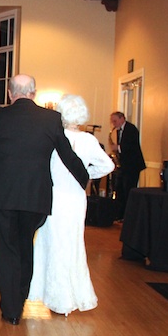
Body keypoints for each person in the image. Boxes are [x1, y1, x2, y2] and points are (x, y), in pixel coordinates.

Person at [0, 74, 89, 325]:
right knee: (24, 247)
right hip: (36, 195)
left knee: (5, 252)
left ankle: (11, 309)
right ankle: (20, 299)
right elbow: (68, 155)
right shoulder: (51, 119)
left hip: (3, 194)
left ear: (10, 93)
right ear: (34, 92)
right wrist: (84, 180)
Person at [28, 95, 115, 316]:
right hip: (76, 198)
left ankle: (50, 294)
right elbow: (108, 165)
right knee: (73, 244)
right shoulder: (88, 140)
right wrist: (87, 176)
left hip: (55, 196)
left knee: (50, 242)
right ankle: (66, 297)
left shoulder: (52, 137)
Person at [109, 111, 146, 220]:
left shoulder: (131, 129)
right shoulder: (119, 131)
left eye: (115, 121)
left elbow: (131, 146)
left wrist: (118, 148)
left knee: (128, 190)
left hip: (132, 166)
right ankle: (120, 215)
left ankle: (128, 216)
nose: (114, 124)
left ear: (122, 119)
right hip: (124, 166)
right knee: (119, 189)